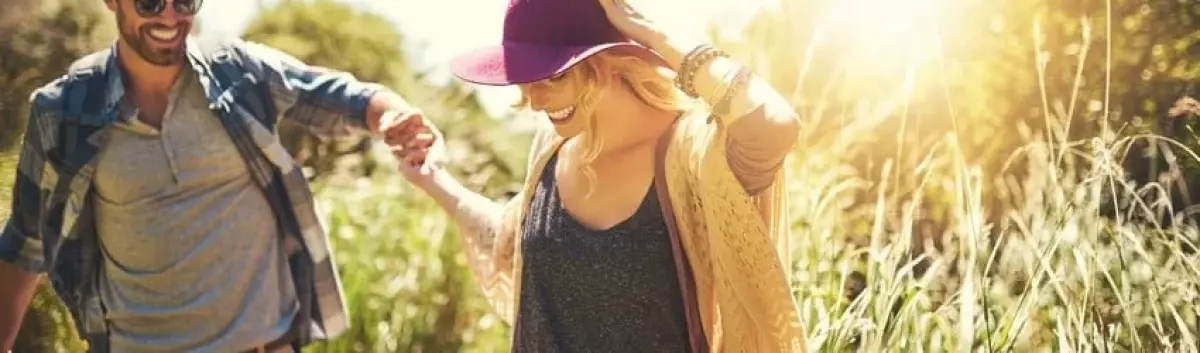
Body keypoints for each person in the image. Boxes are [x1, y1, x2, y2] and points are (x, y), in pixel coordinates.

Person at [0, 0, 424, 352]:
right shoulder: (62, 111)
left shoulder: (237, 71)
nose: (169, 17)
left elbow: (337, 95)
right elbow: (23, 245)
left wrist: (393, 115)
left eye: (184, 1)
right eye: (150, 2)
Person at [385, 0, 809, 350]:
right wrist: (431, 177)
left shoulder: (691, 157)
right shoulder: (552, 152)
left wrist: (651, 32)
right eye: (526, 79)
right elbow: (509, 241)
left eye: (552, 75)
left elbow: (775, 126)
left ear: (611, 60)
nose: (533, 101)